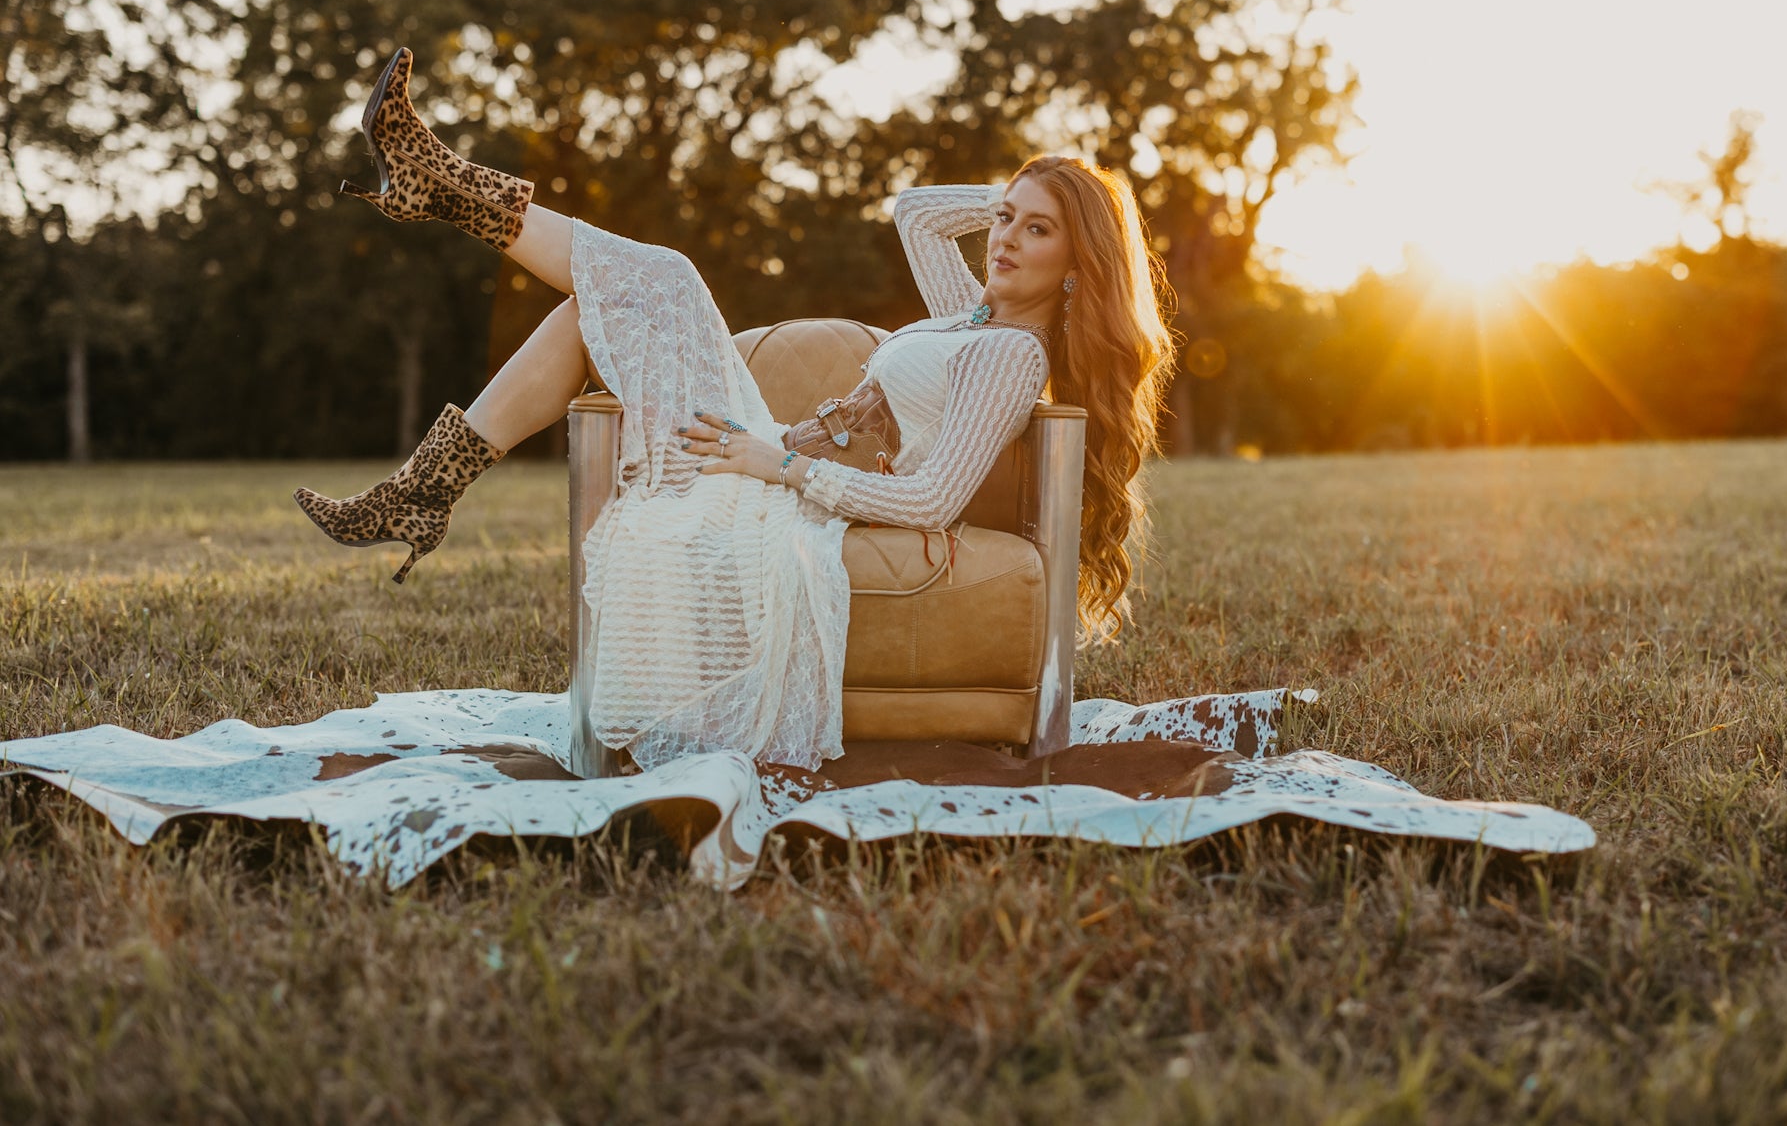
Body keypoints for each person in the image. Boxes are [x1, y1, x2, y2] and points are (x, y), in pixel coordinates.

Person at [294, 48, 1175, 771]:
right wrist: (1039, 190)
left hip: (787, 489)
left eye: (1036, 231)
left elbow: (931, 501)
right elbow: (915, 215)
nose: (1006, 241)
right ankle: (423, 473)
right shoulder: (967, 313)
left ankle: (438, 197)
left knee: (660, 278)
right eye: (1007, 222)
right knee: (601, 304)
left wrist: (776, 464)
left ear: (1079, 266)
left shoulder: (1013, 354)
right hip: (773, 460)